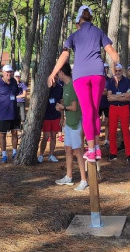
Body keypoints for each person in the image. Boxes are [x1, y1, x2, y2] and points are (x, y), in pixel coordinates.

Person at [48, 4, 119, 163]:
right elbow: (113, 53)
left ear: (79, 20)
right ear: (91, 18)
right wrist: (115, 69)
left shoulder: (74, 35)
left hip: (81, 75)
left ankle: (92, 150)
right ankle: (98, 148)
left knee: (87, 112)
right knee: (94, 111)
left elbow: (64, 56)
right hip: (98, 73)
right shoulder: (99, 32)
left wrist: (53, 74)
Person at [54, 63, 89, 191]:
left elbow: (74, 107)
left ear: (62, 73)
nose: (57, 75)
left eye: (58, 72)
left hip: (76, 124)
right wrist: (62, 114)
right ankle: (69, 177)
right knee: (68, 149)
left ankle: (84, 180)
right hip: (69, 123)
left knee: (78, 151)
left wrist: (62, 108)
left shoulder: (73, 86)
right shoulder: (65, 86)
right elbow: (65, 103)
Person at [0, 64, 19, 163]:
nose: (9, 74)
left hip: (14, 112)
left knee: (15, 133)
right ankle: (4, 155)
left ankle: (15, 153)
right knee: (3, 134)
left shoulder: (14, 81)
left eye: (10, 72)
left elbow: (16, 93)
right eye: (7, 72)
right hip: (3, 114)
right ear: (3, 72)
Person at [106, 63, 130, 162]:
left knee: (125, 131)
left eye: (119, 70)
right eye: (116, 71)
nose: (118, 72)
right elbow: (109, 97)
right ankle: (113, 153)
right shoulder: (110, 81)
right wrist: (123, 95)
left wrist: (116, 96)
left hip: (124, 108)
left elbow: (129, 96)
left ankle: (129, 154)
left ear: (122, 71)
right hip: (113, 108)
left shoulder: (127, 81)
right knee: (112, 131)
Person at [39, 75, 63, 163]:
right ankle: (41, 155)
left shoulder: (60, 88)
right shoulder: (46, 88)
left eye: (57, 78)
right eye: (54, 78)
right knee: (45, 137)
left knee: (53, 136)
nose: (55, 79)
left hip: (56, 116)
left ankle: (51, 155)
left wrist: (62, 117)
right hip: (46, 116)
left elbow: (61, 102)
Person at [99, 63, 110, 147]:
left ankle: (106, 140)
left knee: (107, 123)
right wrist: (104, 91)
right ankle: (96, 139)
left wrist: (102, 91)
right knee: (97, 122)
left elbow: (109, 92)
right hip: (98, 103)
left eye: (106, 68)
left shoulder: (110, 80)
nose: (105, 70)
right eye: (104, 68)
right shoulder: (98, 79)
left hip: (107, 104)